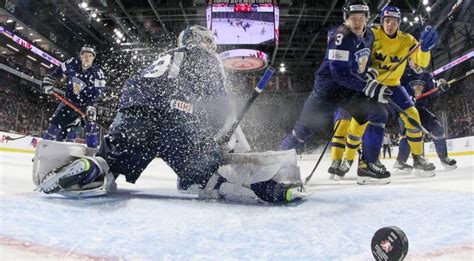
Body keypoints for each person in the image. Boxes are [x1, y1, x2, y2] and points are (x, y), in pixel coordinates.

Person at [32, 25, 305, 204]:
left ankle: (94, 168)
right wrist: (219, 141)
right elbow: (220, 107)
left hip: (132, 116)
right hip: (174, 119)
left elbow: (134, 90)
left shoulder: (164, 57)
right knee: (206, 174)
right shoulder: (206, 57)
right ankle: (268, 189)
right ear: (202, 42)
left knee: (110, 163)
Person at [280, 0, 392, 185]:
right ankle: (277, 162)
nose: (357, 23)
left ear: (367, 19)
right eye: (352, 18)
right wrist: (368, 87)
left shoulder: (369, 36)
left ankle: (367, 165)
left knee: (379, 114)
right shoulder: (340, 36)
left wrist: (368, 73)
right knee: (302, 132)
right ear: (345, 19)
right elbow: (339, 73)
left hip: (348, 91)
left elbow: (360, 61)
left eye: (361, 18)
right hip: (327, 91)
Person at [335, 6, 440, 177]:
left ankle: (418, 157)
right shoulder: (372, 35)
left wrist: (425, 50)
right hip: (372, 85)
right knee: (359, 122)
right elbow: (357, 53)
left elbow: (421, 63)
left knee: (412, 115)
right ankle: (348, 160)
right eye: (387, 21)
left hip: (393, 85)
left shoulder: (407, 40)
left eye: (394, 21)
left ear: (399, 23)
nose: (390, 25)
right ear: (382, 21)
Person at [393, 59, 457, 173]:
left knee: (438, 129)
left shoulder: (426, 75)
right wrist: (405, 96)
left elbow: (433, 93)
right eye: (411, 60)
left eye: (417, 58)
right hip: (406, 110)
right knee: (411, 134)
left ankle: (444, 158)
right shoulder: (403, 73)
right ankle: (401, 162)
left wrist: (440, 87)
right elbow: (395, 87)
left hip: (421, 110)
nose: (414, 62)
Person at [41, 44, 105, 148]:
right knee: (55, 125)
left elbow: (99, 92)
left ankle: (92, 152)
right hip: (69, 102)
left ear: (93, 57)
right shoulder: (72, 62)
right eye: (84, 55)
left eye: (90, 55)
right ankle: (43, 149)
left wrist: (90, 103)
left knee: (90, 126)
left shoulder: (98, 73)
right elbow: (57, 72)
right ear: (81, 55)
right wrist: (49, 81)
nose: (87, 58)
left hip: (86, 105)